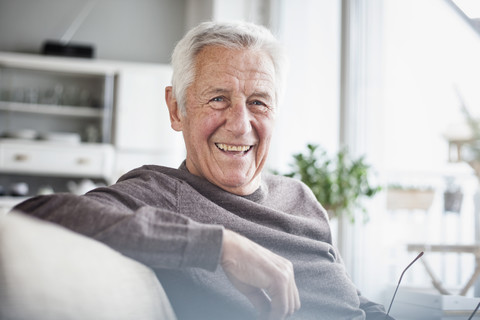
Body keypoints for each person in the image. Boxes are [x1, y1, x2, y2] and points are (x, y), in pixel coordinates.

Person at [13, 21, 393, 320]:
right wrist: (220, 246)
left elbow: (348, 299)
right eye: (218, 99)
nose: (240, 124)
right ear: (177, 109)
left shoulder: (299, 197)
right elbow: (37, 214)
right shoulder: (163, 193)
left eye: (259, 102)